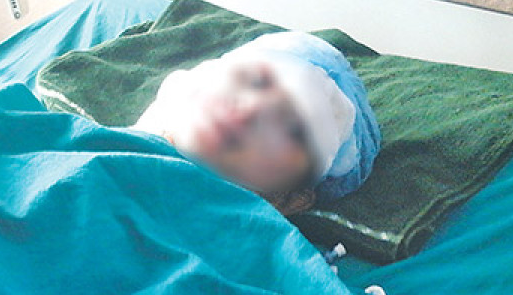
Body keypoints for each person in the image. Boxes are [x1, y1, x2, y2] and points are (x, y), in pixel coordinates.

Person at [132, 31, 381, 213]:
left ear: (292, 201)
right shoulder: (105, 149)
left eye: (285, 121)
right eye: (251, 81)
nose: (251, 109)